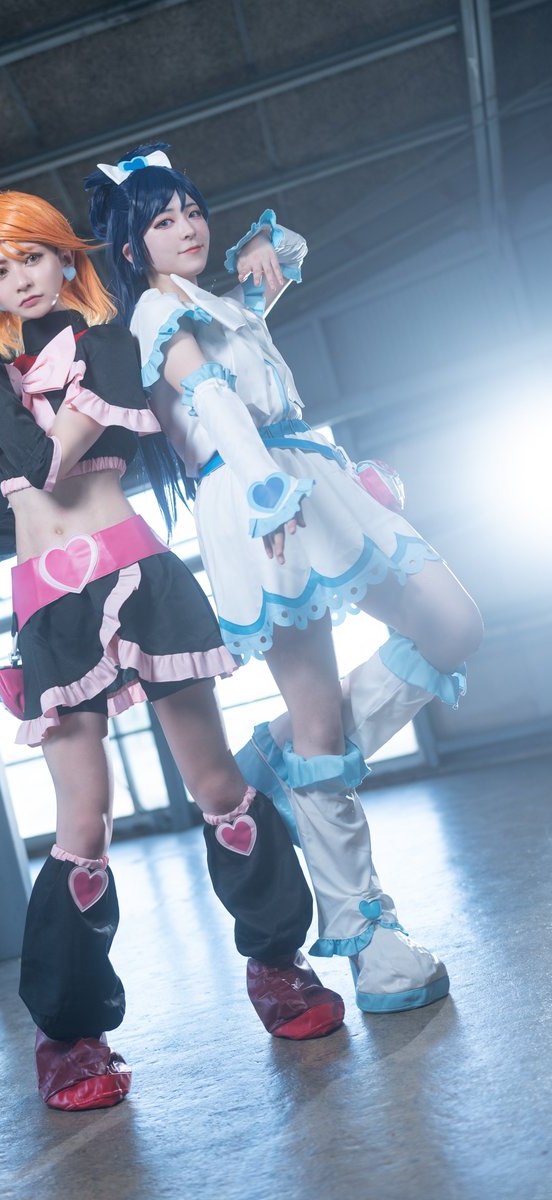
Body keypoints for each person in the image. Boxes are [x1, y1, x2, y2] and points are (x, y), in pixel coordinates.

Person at [0, 191, 345, 1113]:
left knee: (215, 784)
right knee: (84, 820)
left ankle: (278, 966)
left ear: (65, 258)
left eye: (32, 258)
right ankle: (71, 1036)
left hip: (137, 575)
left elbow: (47, 464)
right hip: (45, 604)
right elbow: (21, 501)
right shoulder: (6, 374)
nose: (20, 281)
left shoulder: (103, 345)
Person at [85, 145, 484, 1015]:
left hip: (316, 474)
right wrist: (267, 491)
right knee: (316, 712)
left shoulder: (215, 303)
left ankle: (281, 759)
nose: (188, 227)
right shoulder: (155, 311)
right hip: (260, 491)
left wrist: (264, 243)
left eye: (192, 209)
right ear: (132, 247)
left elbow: (280, 270)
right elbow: (214, 401)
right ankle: (369, 941)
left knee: (453, 624)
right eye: (163, 220)